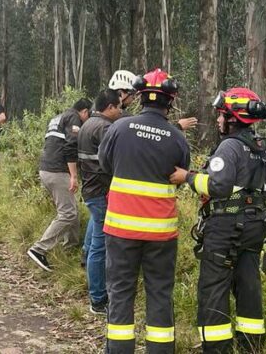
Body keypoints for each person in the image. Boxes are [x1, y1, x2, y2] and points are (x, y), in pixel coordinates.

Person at [169, 88, 266, 354]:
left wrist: (188, 177)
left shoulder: (229, 147)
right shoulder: (263, 151)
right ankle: (251, 346)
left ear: (232, 118)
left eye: (221, 115)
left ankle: (217, 349)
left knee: (213, 289)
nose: (218, 120)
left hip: (226, 228)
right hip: (255, 227)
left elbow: (218, 186)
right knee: (249, 285)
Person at [98, 68, 191, 353]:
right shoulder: (177, 137)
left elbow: (105, 164)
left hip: (121, 230)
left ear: (139, 97)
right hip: (161, 235)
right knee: (160, 294)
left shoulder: (119, 128)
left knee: (120, 293)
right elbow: (182, 173)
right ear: (170, 102)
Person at [27, 98, 93, 272]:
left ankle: (70, 247)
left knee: (72, 210)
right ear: (85, 111)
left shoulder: (58, 117)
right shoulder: (74, 119)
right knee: (68, 214)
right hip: (58, 172)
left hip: (45, 169)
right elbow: (70, 147)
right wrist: (74, 175)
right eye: (89, 115)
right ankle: (39, 249)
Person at [77, 89, 123, 315]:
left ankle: (86, 266)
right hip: (100, 190)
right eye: (119, 107)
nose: (121, 112)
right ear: (111, 107)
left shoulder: (88, 124)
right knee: (100, 245)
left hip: (90, 189)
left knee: (94, 235)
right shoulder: (105, 128)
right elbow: (115, 158)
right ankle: (98, 299)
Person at [109, 69, 198, 130]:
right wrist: (177, 128)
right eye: (132, 95)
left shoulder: (118, 126)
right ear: (170, 101)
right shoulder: (178, 139)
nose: (133, 99)